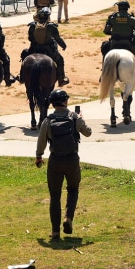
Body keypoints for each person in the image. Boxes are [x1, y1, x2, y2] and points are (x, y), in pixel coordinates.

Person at [35, 89, 92, 240]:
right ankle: (68, 218)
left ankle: (55, 232)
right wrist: (81, 119)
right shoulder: (74, 118)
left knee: (55, 196)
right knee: (73, 190)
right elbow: (88, 132)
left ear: (53, 103)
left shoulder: (48, 120)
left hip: (55, 161)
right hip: (72, 160)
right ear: (65, 101)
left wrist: (39, 157)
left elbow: (41, 141)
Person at [102, 1, 135, 83]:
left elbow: (106, 31)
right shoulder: (131, 19)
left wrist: (114, 33)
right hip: (128, 44)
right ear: (127, 8)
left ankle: (103, 74)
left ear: (119, 8)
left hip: (114, 43)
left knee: (105, 52)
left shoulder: (112, 18)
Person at [25, 7, 68, 85]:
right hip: (49, 50)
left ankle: (22, 77)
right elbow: (58, 39)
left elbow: (30, 38)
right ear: (48, 16)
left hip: (34, 49)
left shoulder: (32, 25)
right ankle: (61, 79)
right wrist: (64, 46)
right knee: (60, 60)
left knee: (24, 57)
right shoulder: (51, 26)